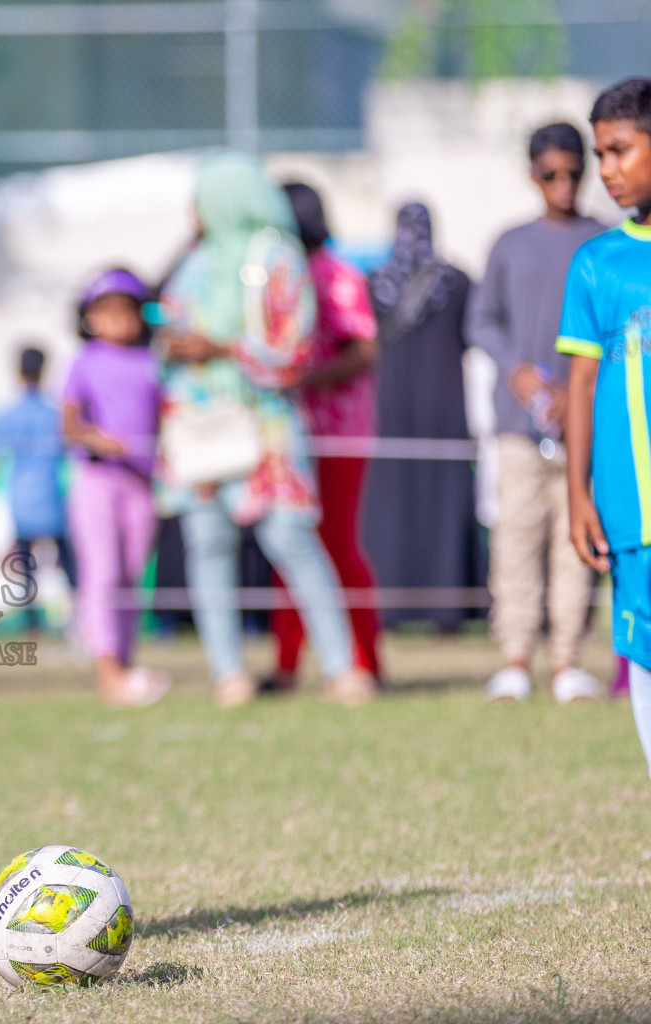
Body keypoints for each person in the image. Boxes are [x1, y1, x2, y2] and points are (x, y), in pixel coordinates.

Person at [158, 152, 372, 708]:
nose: (192, 210)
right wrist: (175, 345)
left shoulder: (278, 258)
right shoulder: (193, 263)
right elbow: (167, 327)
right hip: (201, 429)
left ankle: (341, 669)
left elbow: (292, 352)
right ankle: (228, 673)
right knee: (207, 545)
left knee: (292, 540)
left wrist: (220, 348)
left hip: (265, 428)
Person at [469, 124, 608, 704]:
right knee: (516, 541)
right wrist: (516, 369)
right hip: (517, 425)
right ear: (533, 174)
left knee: (576, 544)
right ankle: (516, 658)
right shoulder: (510, 243)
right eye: (552, 173)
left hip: (587, 424)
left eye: (575, 173)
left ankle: (567, 661)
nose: (564, 185)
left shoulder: (604, 240)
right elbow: (480, 320)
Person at [563, 77, 651, 775]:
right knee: (644, 657)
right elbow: (582, 384)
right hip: (630, 515)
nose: (607, 170)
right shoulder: (597, 264)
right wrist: (577, 494)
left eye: (621, 149)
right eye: (601, 155)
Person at [267, 182, 382, 690]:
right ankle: (286, 663)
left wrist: (304, 379)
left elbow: (363, 351)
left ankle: (366, 663)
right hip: (288, 433)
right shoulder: (277, 276)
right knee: (287, 543)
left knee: (337, 545)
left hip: (338, 435)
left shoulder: (337, 275)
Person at [362, 203, 483, 632]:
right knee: (422, 502)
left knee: (400, 504)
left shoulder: (377, 283)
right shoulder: (455, 281)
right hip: (437, 409)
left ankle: (406, 610)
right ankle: (433, 611)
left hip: (394, 410)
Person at [60, 270, 168, 706]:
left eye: (126, 309)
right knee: (102, 573)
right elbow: (69, 425)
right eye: (106, 310)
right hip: (98, 479)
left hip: (142, 483)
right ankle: (109, 670)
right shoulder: (84, 361)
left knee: (131, 576)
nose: (117, 319)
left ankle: (126, 662)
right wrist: (99, 439)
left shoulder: (153, 362)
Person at [0, 344, 75, 639]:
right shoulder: (56, 414)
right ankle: (80, 623)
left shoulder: (6, 413)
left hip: (21, 501)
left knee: (27, 571)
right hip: (52, 498)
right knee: (71, 569)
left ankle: (33, 628)